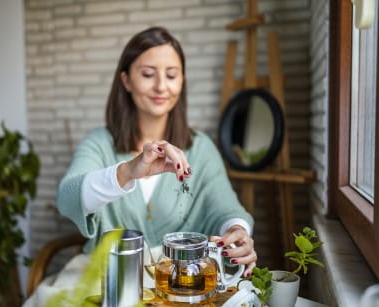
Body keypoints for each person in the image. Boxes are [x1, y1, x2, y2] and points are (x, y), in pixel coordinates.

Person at [24, 26, 256, 306]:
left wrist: (237, 232)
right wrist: (128, 172)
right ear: (126, 80)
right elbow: (68, 196)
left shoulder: (201, 148)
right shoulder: (100, 142)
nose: (161, 86)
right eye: (148, 74)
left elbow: (227, 208)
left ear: (182, 81)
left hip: (178, 282)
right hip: (103, 276)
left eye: (171, 75)